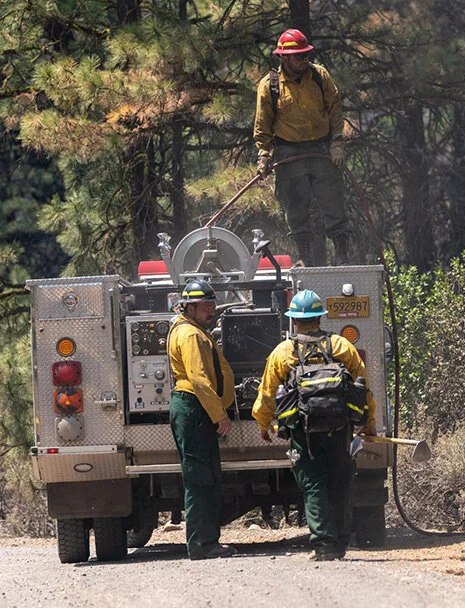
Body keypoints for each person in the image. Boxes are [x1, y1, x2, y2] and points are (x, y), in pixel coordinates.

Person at [252, 290, 377, 560]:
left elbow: (267, 391)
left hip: (303, 432)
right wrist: (369, 423)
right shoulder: (342, 346)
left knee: (313, 484)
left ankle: (323, 545)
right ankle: (341, 542)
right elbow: (363, 387)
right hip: (340, 429)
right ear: (320, 317)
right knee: (340, 482)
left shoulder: (284, 352)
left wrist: (263, 423)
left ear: (294, 320)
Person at [253, 28, 350, 266]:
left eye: (306, 55)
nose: (304, 60)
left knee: (333, 202)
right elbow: (262, 123)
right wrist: (264, 155)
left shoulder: (319, 76)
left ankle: (341, 256)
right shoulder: (269, 86)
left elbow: (335, 108)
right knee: (295, 210)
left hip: (321, 148)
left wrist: (338, 143)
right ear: (284, 58)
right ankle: (306, 258)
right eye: (299, 56)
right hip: (288, 153)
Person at [168, 279, 238, 560]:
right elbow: (198, 379)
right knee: (200, 479)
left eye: (213, 305)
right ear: (190, 307)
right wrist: (219, 415)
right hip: (195, 408)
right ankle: (202, 544)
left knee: (205, 476)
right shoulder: (192, 336)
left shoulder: (189, 330)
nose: (212, 311)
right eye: (206, 307)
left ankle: (206, 541)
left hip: (194, 408)